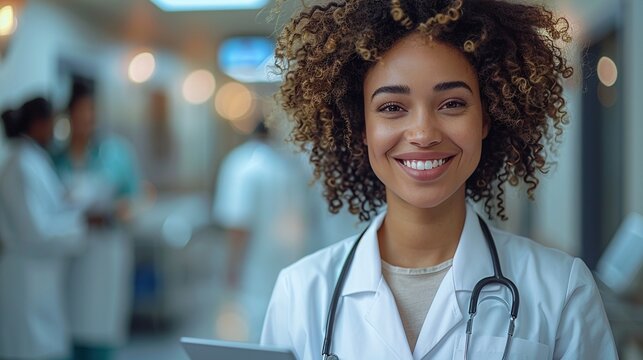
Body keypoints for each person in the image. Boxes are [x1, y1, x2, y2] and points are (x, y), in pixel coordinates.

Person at [260, 0, 618, 359]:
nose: (423, 133)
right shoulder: (300, 293)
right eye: (392, 107)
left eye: (452, 104)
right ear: (362, 128)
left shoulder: (561, 290)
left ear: (485, 120)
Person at [53, 83, 141, 360]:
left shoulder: (115, 153)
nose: (86, 121)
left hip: (106, 249)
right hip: (68, 253)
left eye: (90, 114)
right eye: (80, 114)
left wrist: (111, 213)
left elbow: (135, 200)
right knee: (67, 325)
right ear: (68, 116)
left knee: (102, 323)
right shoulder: (55, 157)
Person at [0, 97, 86, 360]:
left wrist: (68, 207)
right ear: (38, 124)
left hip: (41, 278)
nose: (55, 131)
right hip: (26, 278)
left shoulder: (34, 160)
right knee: (29, 348)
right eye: (53, 124)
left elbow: (49, 211)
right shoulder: (20, 165)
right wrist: (79, 225)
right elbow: (34, 233)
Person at [212, 121, 312, 342]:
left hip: (254, 264)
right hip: (291, 258)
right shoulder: (286, 166)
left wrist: (231, 267)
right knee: (284, 326)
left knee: (256, 328)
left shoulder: (240, 164)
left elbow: (238, 224)